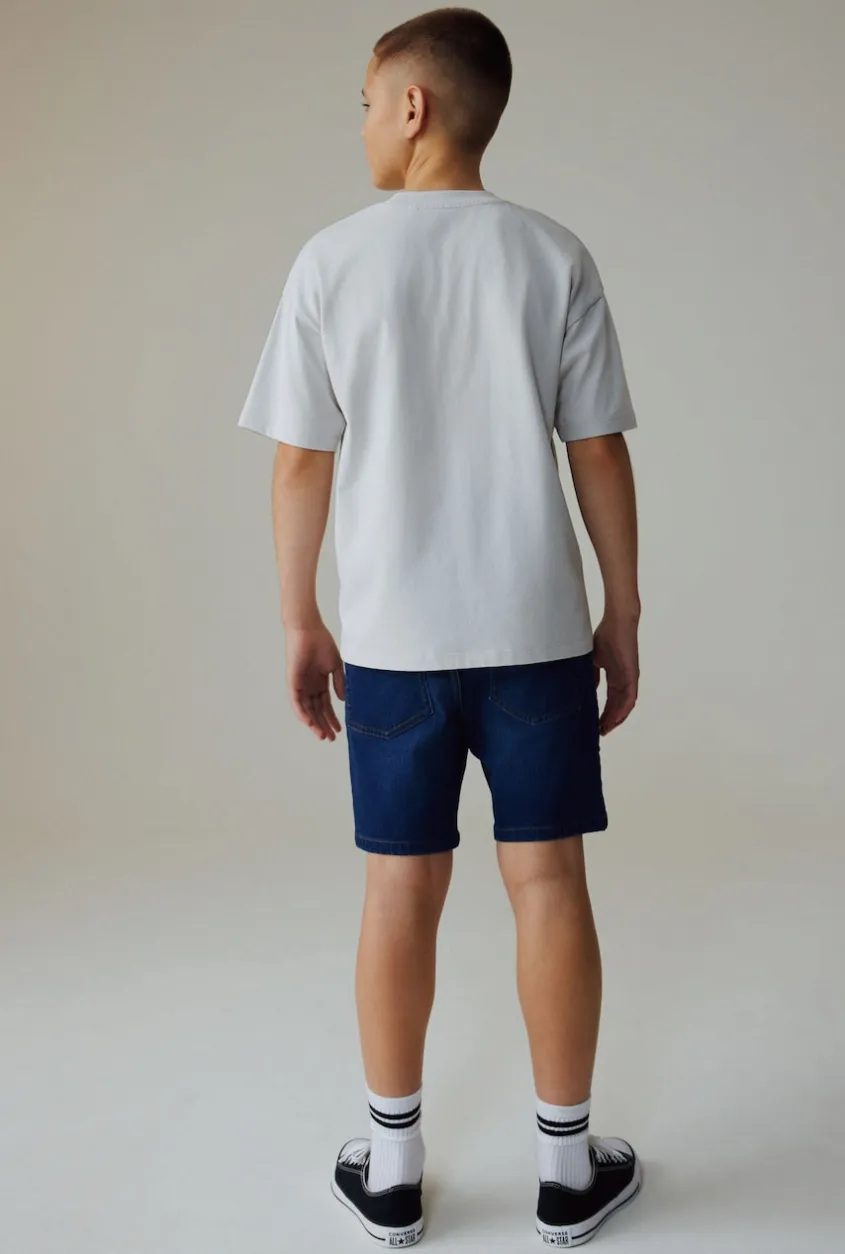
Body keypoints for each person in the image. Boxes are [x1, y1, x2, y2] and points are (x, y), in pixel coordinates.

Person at [237, 7, 642, 1247]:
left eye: (367, 102)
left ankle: (393, 1169)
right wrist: (620, 610)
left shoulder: (331, 261)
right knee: (548, 879)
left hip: (394, 644)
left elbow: (301, 462)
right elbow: (597, 450)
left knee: (397, 890)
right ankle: (566, 1174)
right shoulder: (551, 254)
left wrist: (301, 617)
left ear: (412, 107)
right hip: (534, 634)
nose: (362, 123)